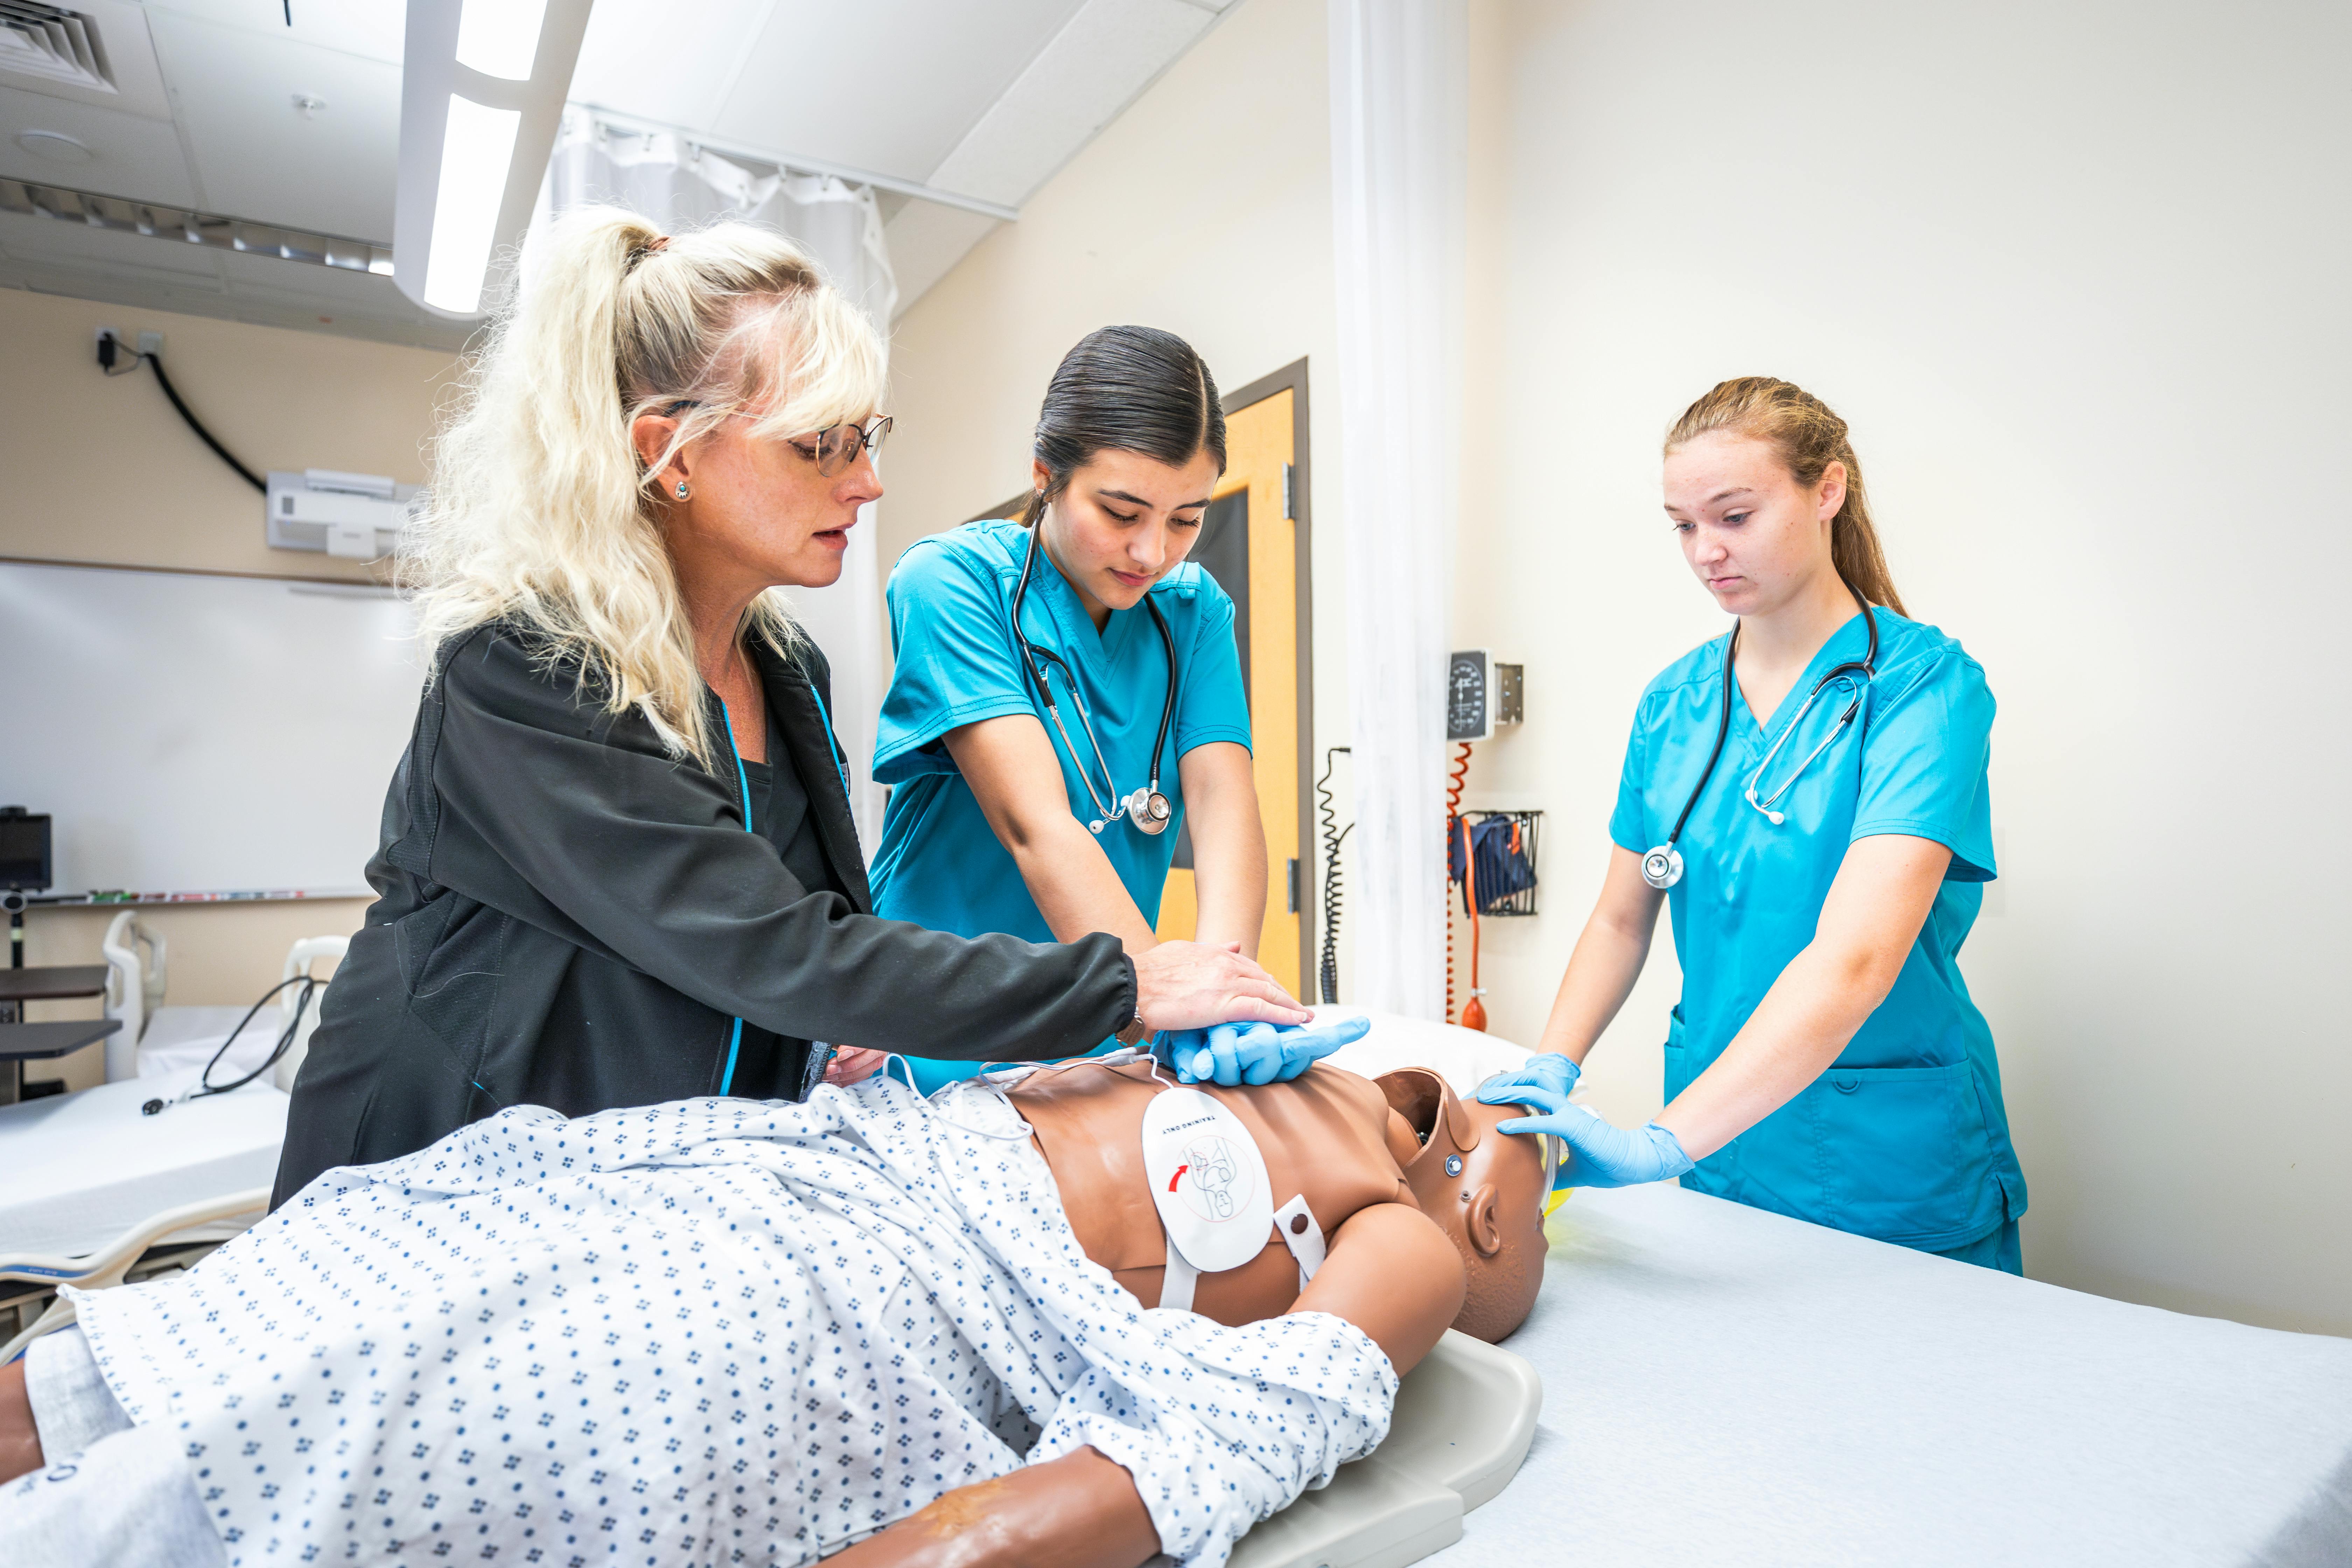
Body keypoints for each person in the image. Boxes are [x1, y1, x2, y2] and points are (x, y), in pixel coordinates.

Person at [271, 211, 1309, 1206]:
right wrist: (1132, 988)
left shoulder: (785, 672)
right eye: (823, 445)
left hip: (665, 1163)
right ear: (666, 451)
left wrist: (823, 1037)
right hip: (442, 1158)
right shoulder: (524, 675)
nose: (869, 484)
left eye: (868, 438)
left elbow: (810, 936)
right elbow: (775, 947)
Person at [0, 1061, 1551, 1568]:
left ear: (1484, 1210)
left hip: (871, 1300)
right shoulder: (1250, 1047)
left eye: (1504, 1154)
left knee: (423, 1392)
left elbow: (1231, 1434)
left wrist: (933, 1549)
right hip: (804, 1160)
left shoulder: (1389, 1236)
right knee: (359, 1261)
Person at [1481, 377, 2028, 1273]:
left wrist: (1662, 1142)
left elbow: (1856, 958)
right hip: (1725, 1138)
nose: (1706, 551)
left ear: (1827, 491)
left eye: (1734, 515)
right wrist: (1552, 1062)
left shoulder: (1925, 688)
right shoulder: (1674, 702)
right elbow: (1622, 919)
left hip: (1882, 1149)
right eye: (1684, 525)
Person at [856, 327, 1273, 1096]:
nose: (1153, 552)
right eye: (1122, 512)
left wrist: (1227, 994)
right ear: (1048, 475)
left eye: (1187, 518)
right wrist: (1165, 1001)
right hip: (931, 1035)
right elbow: (1036, 825)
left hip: (1094, 1045)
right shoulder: (952, 582)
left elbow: (1223, 802)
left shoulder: (1193, 614)